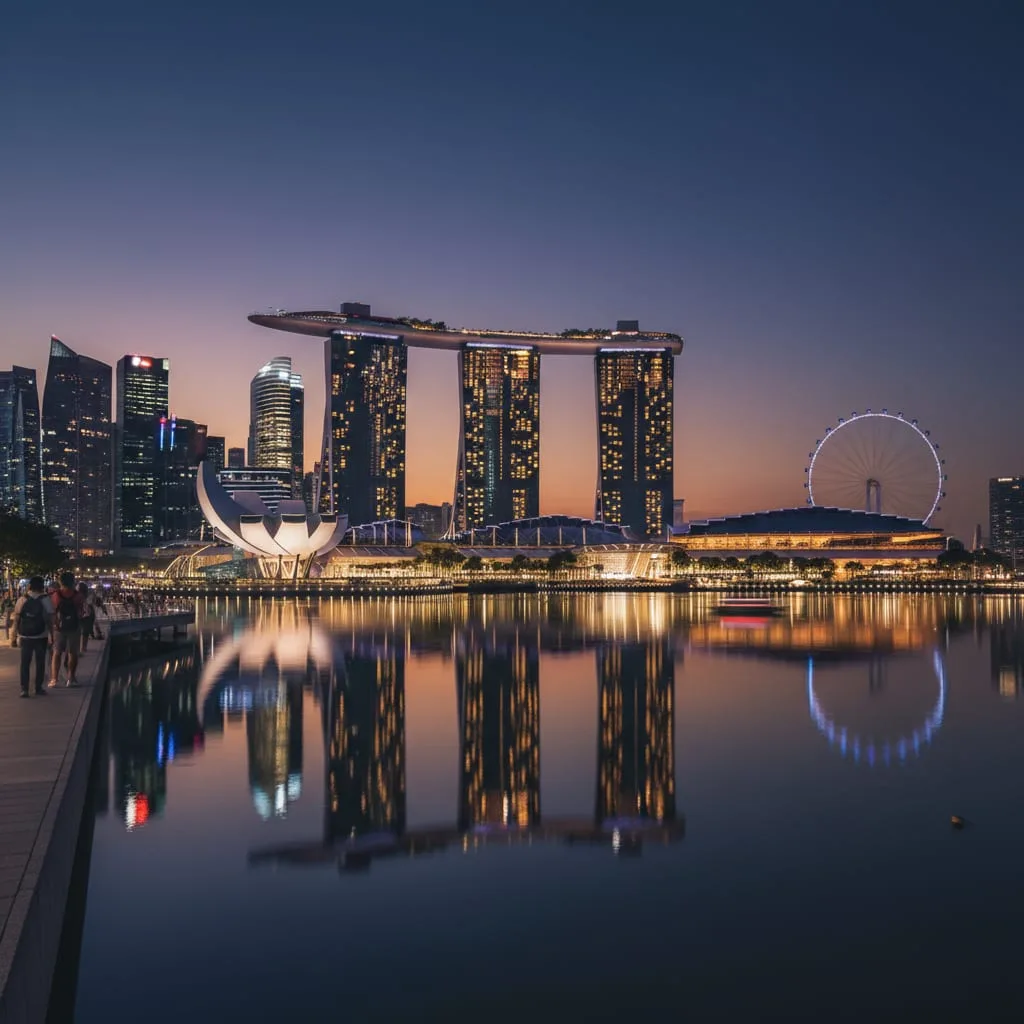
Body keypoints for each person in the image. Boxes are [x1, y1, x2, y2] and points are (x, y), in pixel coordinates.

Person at [11, 576, 52, 697]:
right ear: (42, 586)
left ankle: (24, 689)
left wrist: (13, 637)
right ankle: (38, 688)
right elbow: (50, 619)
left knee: (25, 663)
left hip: (25, 635)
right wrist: (52, 635)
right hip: (41, 635)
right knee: (40, 662)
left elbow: (17, 618)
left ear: (29, 586)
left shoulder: (22, 599)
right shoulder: (46, 600)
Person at [49, 570, 84, 687]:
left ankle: (54, 679)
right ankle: (71, 678)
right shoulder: (78, 595)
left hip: (59, 627)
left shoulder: (55, 595)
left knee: (57, 652)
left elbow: (52, 612)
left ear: (60, 582)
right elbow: (81, 613)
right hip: (74, 627)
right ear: (73, 581)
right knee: (73, 653)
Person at [77, 582, 97, 653]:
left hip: (81, 614)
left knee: (80, 632)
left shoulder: (77, 595)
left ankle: (81, 648)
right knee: (85, 632)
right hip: (88, 614)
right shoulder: (90, 594)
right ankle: (83, 648)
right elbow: (92, 603)